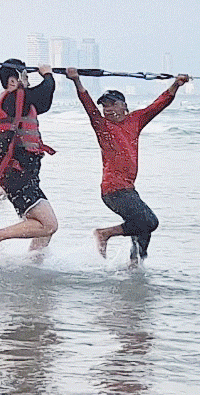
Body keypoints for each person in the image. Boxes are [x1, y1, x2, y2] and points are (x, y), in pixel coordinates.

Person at [67, 68, 188, 262]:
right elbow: (88, 105)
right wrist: (76, 80)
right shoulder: (102, 126)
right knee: (150, 222)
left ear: (124, 106)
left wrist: (176, 84)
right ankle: (104, 234)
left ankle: (134, 268)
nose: (108, 109)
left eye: (112, 104)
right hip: (113, 190)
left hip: (129, 189)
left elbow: (158, 105)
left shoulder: (135, 120)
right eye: (105, 106)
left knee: (143, 233)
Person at [0, 59, 60, 263]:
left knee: (45, 229)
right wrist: (47, 74)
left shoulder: (21, 102)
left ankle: (33, 265)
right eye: (25, 77)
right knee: (49, 225)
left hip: (26, 174)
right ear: (13, 81)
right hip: (17, 173)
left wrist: (53, 78)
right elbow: (45, 89)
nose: (29, 82)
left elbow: (45, 101)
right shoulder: (12, 98)